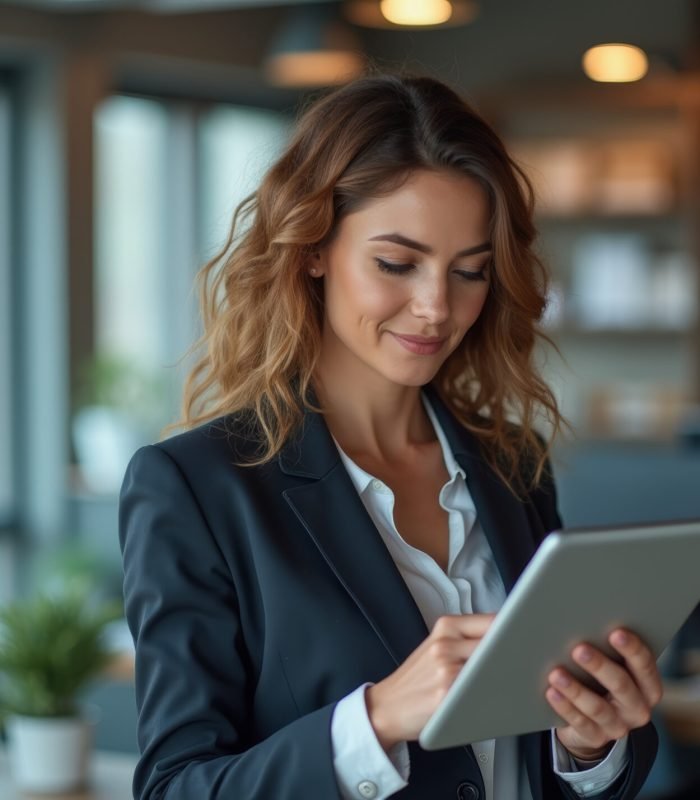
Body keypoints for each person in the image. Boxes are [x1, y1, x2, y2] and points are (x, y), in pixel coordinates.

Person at [119, 69, 661, 800]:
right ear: (312, 249)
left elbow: (542, 768)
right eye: (396, 264)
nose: (437, 307)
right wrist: (374, 721)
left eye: (469, 273)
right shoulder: (197, 487)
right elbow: (175, 788)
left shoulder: (512, 463)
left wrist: (587, 745)